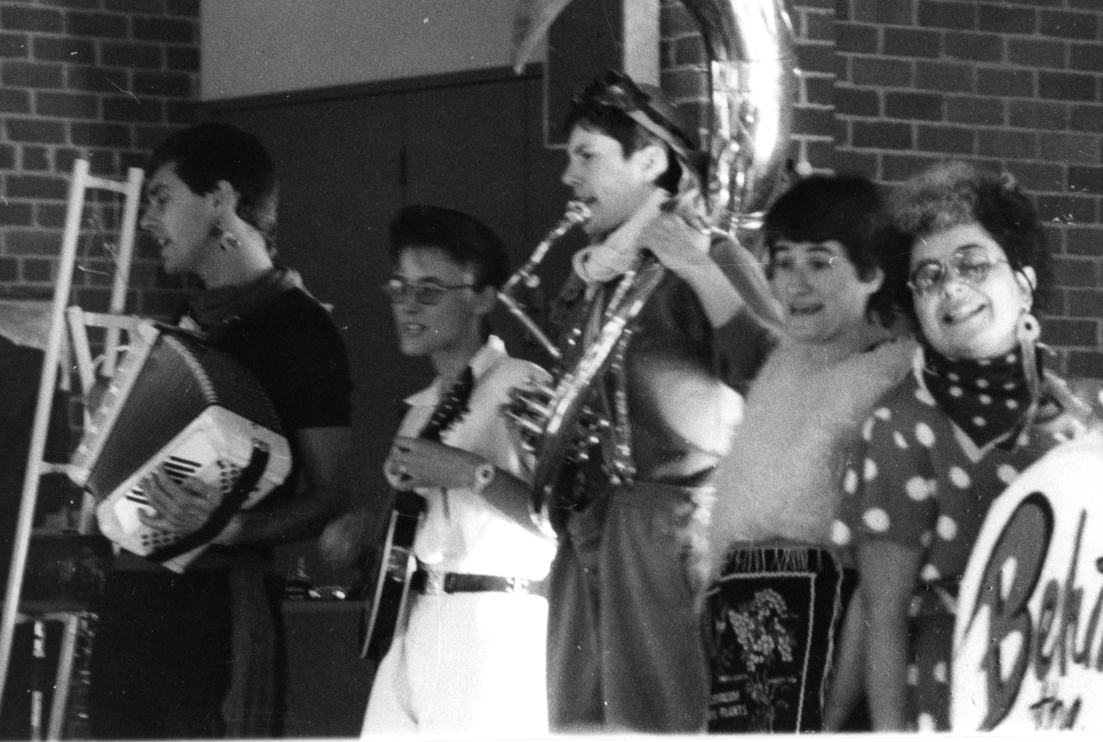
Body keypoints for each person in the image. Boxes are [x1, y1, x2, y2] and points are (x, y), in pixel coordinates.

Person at [832, 161, 1103, 731]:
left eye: (972, 264)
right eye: (928, 276)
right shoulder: (901, 425)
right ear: (917, 309)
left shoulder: (1093, 409)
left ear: (1023, 286)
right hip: (954, 699)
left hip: (1079, 688)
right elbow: (884, 615)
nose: (952, 286)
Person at [89, 122, 354, 739]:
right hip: (134, 605)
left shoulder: (301, 330)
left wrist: (237, 527)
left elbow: (333, 496)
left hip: (218, 615)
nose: (148, 219)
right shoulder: (183, 324)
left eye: (161, 197)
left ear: (220, 200)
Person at [544, 70, 777, 734]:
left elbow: (772, 377)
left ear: (650, 160)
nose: (569, 175)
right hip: (590, 528)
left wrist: (701, 272)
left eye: (587, 156)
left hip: (668, 530)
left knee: (665, 726)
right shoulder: (598, 275)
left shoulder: (714, 255)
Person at [701, 174, 914, 733]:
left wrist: (838, 711)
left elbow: (880, 581)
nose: (794, 284)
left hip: (836, 644)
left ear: (872, 273)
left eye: (820, 263)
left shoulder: (891, 382)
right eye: (782, 261)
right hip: (743, 630)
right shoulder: (787, 363)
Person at [359, 205, 556, 737]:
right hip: (417, 619)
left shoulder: (522, 383)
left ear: (484, 298)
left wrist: (473, 471)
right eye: (398, 289)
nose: (407, 306)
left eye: (428, 291)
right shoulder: (420, 407)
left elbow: (562, 519)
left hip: (490, 622)